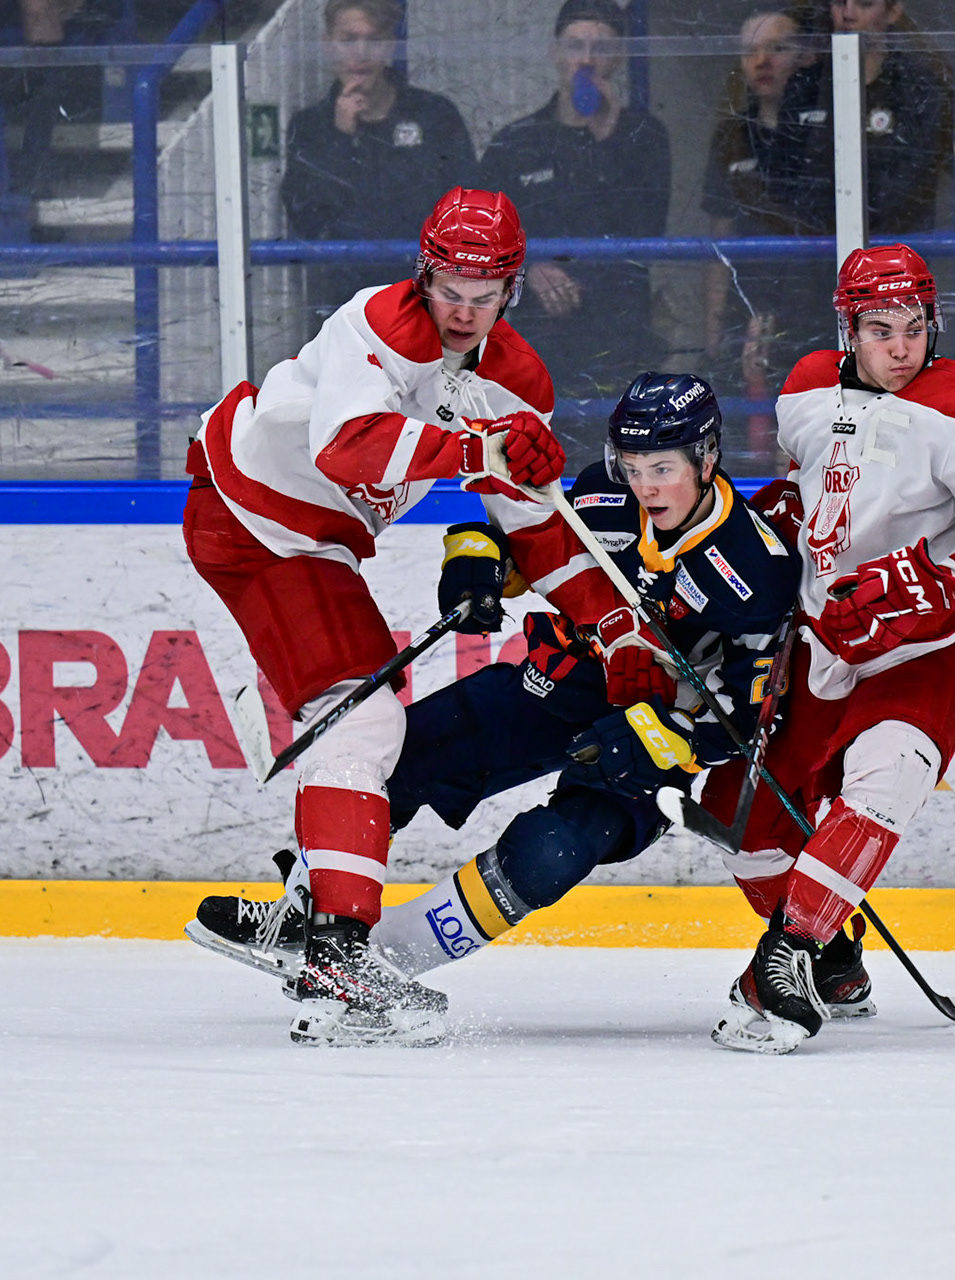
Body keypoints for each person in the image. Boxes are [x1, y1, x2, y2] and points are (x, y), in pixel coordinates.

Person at [188, 371, 801, 991]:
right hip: (556, 684)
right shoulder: (600, 494)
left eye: (662, 469)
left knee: (547, 854)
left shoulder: (756, 567)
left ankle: (386, 963)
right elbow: (523, 541)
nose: (643, 486)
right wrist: (479, 563)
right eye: (632, 465)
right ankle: (306, 915)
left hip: (644, 738)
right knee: (394, 760)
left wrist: (668, 739)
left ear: (707, 458)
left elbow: (747, 717)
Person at [180, 186, 616, 1047]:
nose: (462, 311)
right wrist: (480, 448)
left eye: (483, 294)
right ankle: (338, 954)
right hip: (252, 516)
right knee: (363, 717)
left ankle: (305, 916)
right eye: (449, 289)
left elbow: (536, 530)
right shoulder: (375, 321)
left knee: (362, 718)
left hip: (312, 543)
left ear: (513, 288)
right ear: (424, 275)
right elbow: (347, 447)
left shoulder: (516, 382)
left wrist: (616, 627)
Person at [699, 243, 955, 1054]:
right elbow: (811, 489)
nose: (901, 347)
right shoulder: (806, 387)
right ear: (848, 329)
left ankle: (784, 960)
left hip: (922, 648)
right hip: (819, 640)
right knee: (740, 817)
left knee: (883, 783)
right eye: (880, 330)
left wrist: (921, 583)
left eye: (914, 328)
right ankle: (834, 957)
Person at [475, 0, 669, 404]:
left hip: (620, 331)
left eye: (601, 48)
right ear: (555, 52)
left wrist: (607, 134)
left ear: (619, 57)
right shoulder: (518, 141)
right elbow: (485, 239)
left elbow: (647, 228)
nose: (586, 60)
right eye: (575, 46)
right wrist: (530, 268)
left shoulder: (644, 134)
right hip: (540, 334)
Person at [282, 0, 475, 325]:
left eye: (373, 40)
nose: (361, 53)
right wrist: (341, 137)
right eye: (348, 40)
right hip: (344, 305)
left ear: (391, 46)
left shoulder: (434, 115)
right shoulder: (311, 127)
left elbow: (467, 205)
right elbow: (306, 219)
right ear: (328, 45)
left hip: (427, 302)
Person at [700, 7, 833, 440]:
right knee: (755, 434)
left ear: (807, 55)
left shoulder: (831, 125)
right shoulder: (731, 136)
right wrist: (716, 331)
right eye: (750, 51)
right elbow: (721, 241)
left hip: (820, 303)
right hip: (753, 306)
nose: (762, 61)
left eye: (777, 48)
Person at [826, 0, 951, 234]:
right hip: (816, 246)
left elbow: (912, 183)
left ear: (893, 12)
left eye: (864, 4)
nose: (848, 14)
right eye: (840, 3)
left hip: (896, 244)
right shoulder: (807, 86)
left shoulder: (917, 87)